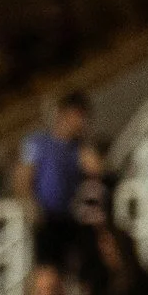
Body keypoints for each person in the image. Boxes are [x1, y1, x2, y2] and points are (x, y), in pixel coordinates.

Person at [15, 93, 90, 267]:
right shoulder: (37, 143)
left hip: (70, 219)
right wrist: (31, 206)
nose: (82, 123)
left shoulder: (78, 149)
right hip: (46, 221)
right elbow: (22, 178)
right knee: (47, 267)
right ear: (65, 114)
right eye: (78, 116)